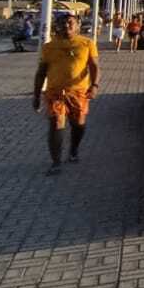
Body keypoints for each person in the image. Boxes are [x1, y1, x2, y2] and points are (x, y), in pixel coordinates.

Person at [33, 13, 99, 174]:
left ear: (78, 25)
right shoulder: (48, 47)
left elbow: (94, 67)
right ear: (57, 26)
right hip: (55, 93)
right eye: (62, 23)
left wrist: (94, 85)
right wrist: (36, 95)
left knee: (79, 124)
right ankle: (56, 162)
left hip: (79, 92)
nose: (66, 26)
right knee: (56, 123)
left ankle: (74, 149)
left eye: (70, 23)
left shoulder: (87, 43)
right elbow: (41, 72)